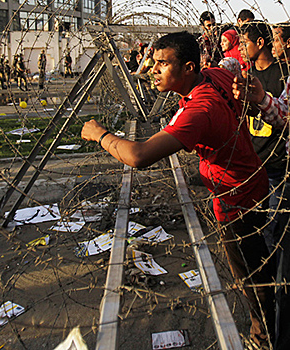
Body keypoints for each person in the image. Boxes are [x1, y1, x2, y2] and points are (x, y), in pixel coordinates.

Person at [82, 31, 275, 348]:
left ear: (187, 68)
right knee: (257, 260)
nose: (153, 69)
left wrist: (100, 134)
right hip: (252, 179)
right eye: (153, 62)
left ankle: (264, 331)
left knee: (250, 273)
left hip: (235, 199)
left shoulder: (198, 110)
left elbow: (139, 155)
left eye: (162, 63)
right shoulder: (214, 76)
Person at [239, 21, 289, 252]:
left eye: (244, 43)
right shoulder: (246, 74)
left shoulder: (283, 75)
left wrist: (260, 100)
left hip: (277, 161)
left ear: (260, 43)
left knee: (276, 230)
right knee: (259, 225)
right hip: (254, 160)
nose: (240, 48)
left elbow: (284, 117)